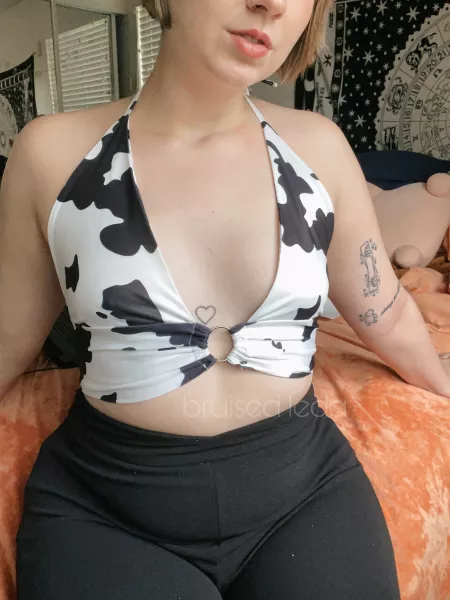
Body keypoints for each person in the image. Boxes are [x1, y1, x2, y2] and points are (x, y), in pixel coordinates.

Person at [1, 0, 449, 598]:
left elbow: (384, 310)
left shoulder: (319, 149)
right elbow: (8, 340)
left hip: (304, 491)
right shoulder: (51, 154)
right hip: (106, 505)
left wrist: (442, 383)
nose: (271, 4)